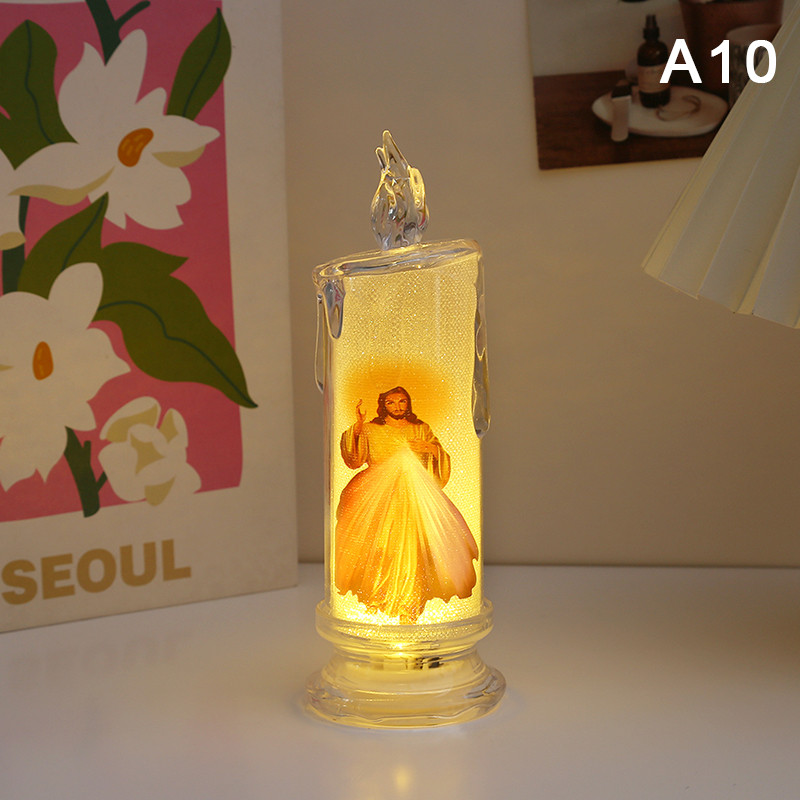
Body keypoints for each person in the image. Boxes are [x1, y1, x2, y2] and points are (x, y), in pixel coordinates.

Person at [335, 386, 478, 622]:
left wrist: (430, 448)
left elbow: (439, 457)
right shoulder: (371, 429)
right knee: (379, 544)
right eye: (391, 403)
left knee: (412, 545)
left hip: (413, 494)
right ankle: (378, 595)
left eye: (402, 401)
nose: (397, 407)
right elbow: (353, 460)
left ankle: (409, 601)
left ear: (408, 403)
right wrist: (358, 426)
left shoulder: (420, 428)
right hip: (377, 494)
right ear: (383, 406)